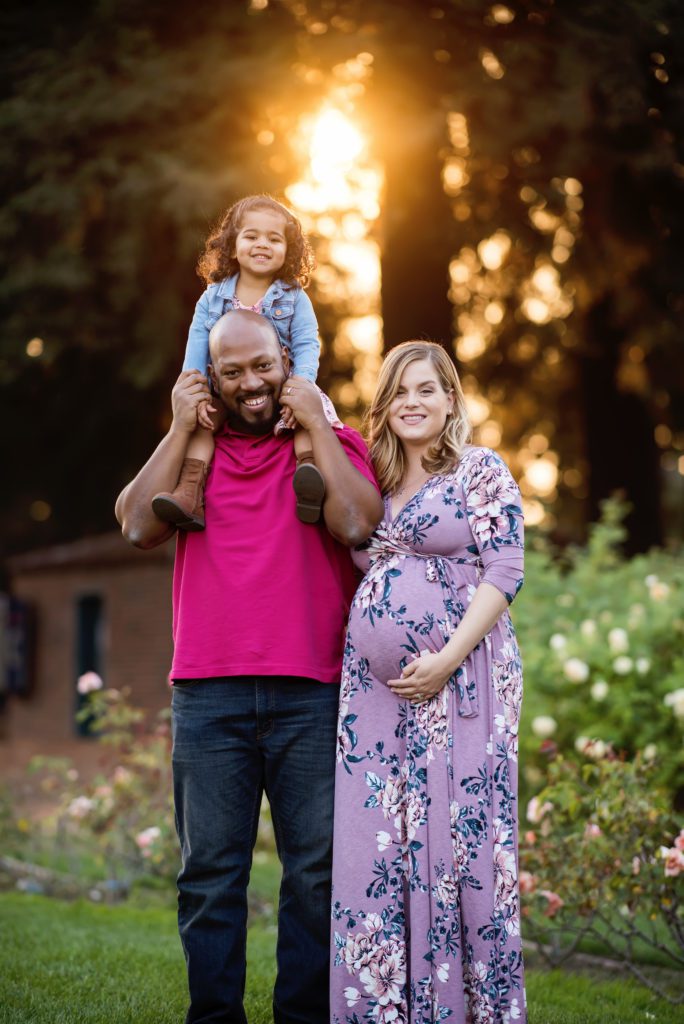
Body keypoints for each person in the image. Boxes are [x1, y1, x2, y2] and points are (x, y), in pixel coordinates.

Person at [115, 309, 383, 1024]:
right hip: (208, 695)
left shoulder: (332, 447)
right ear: (211, 378)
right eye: (231, 371)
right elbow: (138, 525)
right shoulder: (189, 463)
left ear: (286, 362)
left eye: (262, 365)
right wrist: (178, 427)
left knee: (316, 877)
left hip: (312, 692)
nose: (250, 383)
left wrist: (318, 425)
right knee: (208, 877)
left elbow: (358, 524)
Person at [330, 341, 526, 1024]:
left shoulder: (479, 470)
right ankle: (384, 1011)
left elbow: (505, 572)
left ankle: (467, 1011)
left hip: (464, 679)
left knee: (461, 845)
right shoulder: (373, 486)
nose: (412, 403)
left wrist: (444, 658)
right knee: (378, 843)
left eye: (427, 390)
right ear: (384, 406)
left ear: (450, 401)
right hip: (376, 699)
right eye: (399, 392)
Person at [152, 193, 338, 529]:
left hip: (284, 386)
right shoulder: (213, 297)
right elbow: (198, 341)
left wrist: (302, 383)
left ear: (288, 250)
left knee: (305, 420)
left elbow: (308, 342)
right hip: (229, 390)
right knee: (202, 424)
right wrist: (194, 386)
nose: (262, 244)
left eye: (274, 238)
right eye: (251, 236)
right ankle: (189, 492)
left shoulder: (294, 297)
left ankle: (309, 478)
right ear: (232, 246)